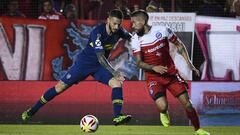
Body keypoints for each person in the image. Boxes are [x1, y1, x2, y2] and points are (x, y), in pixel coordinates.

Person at [22, 9, 132, 125]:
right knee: (59, 87)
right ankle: (32, 110)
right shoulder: (97, 33)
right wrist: (114, 72)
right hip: (84, 64)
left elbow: (131, 38)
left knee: (117, 83)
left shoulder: (120, 31)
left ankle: (117, 117)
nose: (116, 26)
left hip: (99, 67)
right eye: (114, 23)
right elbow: (100, 57)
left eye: (119, 24)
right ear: (108, 20)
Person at [130, 10, 210, 135]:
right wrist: (153, 68)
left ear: (142, 21)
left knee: (188, 105)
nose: (132, 25)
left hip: (171, 75)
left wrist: (189, 63)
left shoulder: (163, 30)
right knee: (163, 106)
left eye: (134, 23)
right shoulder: (135, 39)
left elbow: (179, 44)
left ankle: (198, 129)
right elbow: (139, 63)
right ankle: (163, 112)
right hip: (154, 77)